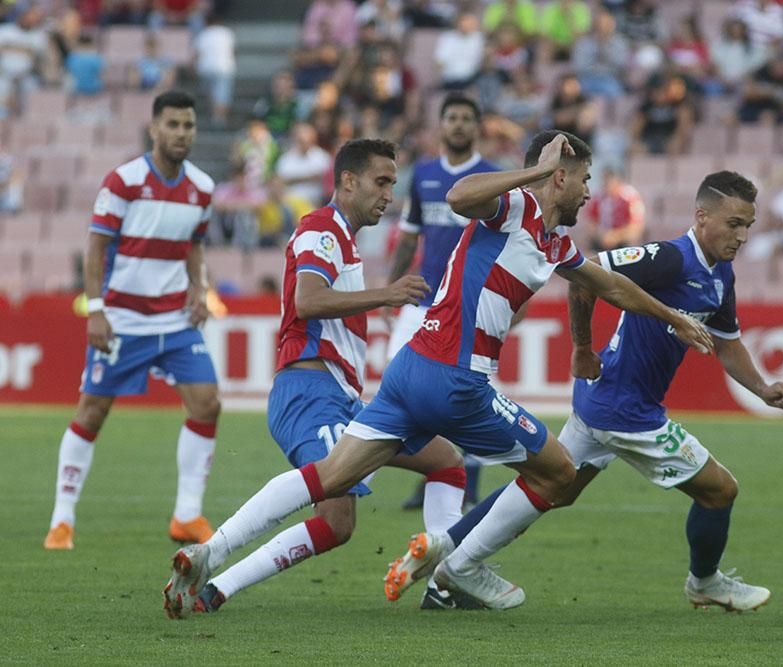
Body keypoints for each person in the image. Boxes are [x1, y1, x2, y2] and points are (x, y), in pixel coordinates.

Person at [163, 130, 716, 615]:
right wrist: (540, 170)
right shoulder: (516, 206)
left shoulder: (555, 243)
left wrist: (673, 318)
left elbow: (611, 286)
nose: (590, 192)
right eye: (585, 179)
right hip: (458, 380)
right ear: (562, 176)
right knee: (560, 473)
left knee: (335, 477)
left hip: (410, 373)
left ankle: (212, 551)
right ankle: (461, 566)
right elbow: (458, 195)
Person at [384, 171, 783, 612]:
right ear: (701, 216)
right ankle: (706, 582)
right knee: (720, 491)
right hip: (626, 412)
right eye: (734, 223)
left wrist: (763, 388)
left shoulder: (721, 277)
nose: (743, 235)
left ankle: (444, 551)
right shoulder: (671, 258)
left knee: (549, 488)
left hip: (603, 402)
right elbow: (588, 275)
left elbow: (727, 343)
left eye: (748, 226)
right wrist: (582, 347)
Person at [165, 139, 471, 616]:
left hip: (340, 397)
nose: (390, 194)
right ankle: (214, 564)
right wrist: (385, 294)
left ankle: (442, 584)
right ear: (348, 180)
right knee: (336, 517)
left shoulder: (342, 238)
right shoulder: (320, 230)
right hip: (309, 392)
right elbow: (308, 300)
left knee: (447, 462)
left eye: (393, 182)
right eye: (381, 181)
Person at [44, 91, 219, 550]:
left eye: (189, 125)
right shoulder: (123, 181)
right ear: (154, 129)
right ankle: (62, 519)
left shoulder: (202, 187)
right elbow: (96, 248)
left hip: (176, 320)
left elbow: (195, 245)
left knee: (207, 404)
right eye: (174, 125)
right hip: (123, 318)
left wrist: (199, 288)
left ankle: (186, 515)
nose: (182, 133)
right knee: (93, 411)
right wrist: (96, 310)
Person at [384, 93, 499, 518]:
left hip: (470, 305)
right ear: (441, 124)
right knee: (400, 385)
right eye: (451, 117)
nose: (458, 125)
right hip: (421, 299)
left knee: (467, 393)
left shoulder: (491, 177)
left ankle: (466, 482)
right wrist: (391, 288)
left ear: (477, 126)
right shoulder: (424, 173)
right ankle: (431, 471)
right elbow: (410, 235)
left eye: (467, 118)